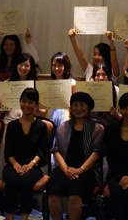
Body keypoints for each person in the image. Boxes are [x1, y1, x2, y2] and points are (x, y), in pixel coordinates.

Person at [48, 92, 103, 220]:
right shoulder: (64, 126)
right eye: (75, 105)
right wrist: (65, 169)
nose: (78, 108)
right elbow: (56, 150)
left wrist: (79, 170)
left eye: (82, 105)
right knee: (53, 192)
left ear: (89, 107)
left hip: (87, 171)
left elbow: (96, 153)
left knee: (75, 194)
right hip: (64, 169)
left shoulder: (96, 128)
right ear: (71, 107)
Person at [1, 88, 49, 220]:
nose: (26, 105)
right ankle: (10, 217)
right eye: (24, 101)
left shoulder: (41, 126)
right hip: (13, 165)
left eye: (30, 102)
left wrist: (30, 165)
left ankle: (24, 217)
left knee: (26, 181)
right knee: (11, 180)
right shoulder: (12, 125)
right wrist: (16, 165)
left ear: (36, 105)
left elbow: (42, 151)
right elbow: (8, 151)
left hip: (33, 166)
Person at [0, 52, 37, 123]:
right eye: (21, 64)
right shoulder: (6, 84)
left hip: (29, 121)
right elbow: (1, 111)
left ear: (31, 68)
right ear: (16, 65)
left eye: (27, 65)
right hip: (9, 120)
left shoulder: (35, 86)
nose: (23, 68)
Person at [47, 52, 76, 128]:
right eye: (54, 65)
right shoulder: (49, 85)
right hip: (51, 115)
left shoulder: (72, 83)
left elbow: (76, 104)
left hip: (66, 117)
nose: (56, 68)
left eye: (60, 65)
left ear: (66, 66)